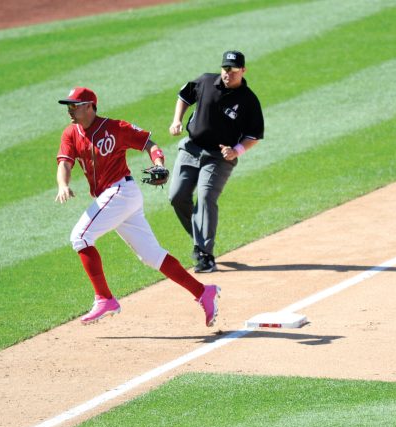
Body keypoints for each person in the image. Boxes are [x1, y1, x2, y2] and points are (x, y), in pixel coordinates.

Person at [55, 87, 220, 327]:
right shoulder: (71, 133)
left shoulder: (115, 128)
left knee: (80, 236)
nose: (70, 110)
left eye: (75, 105)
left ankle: (105, 298)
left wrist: (160, 164)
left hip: (121, 192)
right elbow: (65, 163)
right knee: (152, 256)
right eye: (68, 105)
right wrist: (63, 185)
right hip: (115, 199)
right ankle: (204, 292)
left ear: (90, 105)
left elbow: (149, 144)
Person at [168, 50, 265, 273]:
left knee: (205, 196)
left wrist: (236, 151)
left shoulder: (248, 100)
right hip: (191, 149)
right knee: (177, 196)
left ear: (243, 70)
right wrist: (176, 121)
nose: (227, 73)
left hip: (220, 157)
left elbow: (254, 135)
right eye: (225, 69)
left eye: (232, 70)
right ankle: (199, 238)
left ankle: (205, 255)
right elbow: (184, 96)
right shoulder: (205, 81)